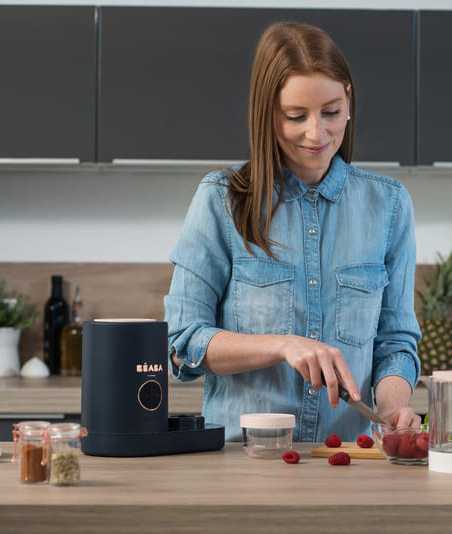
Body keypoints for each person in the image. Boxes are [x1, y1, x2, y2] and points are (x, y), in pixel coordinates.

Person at [163, 21, 421, 442]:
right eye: (295, 116)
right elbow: (182, 343)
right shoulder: (221, 200)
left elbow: (396, 343)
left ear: (349, 101)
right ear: (268, 113)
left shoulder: (389, 205)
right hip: (243, 466)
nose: (316, 133)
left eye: (331, 112)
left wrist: (394, 408)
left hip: (349, 463)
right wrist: (283, 345)